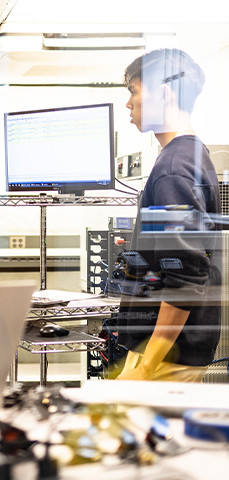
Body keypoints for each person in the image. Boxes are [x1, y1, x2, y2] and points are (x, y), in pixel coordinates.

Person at [116, 49, 221, 382]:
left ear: (163, 93)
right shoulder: (193, 155)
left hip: (164, 356)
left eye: (133, 92)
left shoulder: (173, 169)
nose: (128, 104)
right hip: (171, 350)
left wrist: (147, 366)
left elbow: (187, 277)